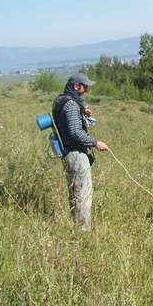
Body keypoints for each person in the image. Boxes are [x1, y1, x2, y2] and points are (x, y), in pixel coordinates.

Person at [52, 72, 109, 231]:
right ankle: (82, 232)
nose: (86, 91)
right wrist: (95, 143)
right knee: (82, 195)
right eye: (85, 87)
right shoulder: (70, 105)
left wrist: (83, 114)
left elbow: (71, 126)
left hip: (69, 153)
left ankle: (77, 227)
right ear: (76, 86)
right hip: (76, 155)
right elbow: (75, 133)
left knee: (76, 193)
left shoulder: (62, 100)